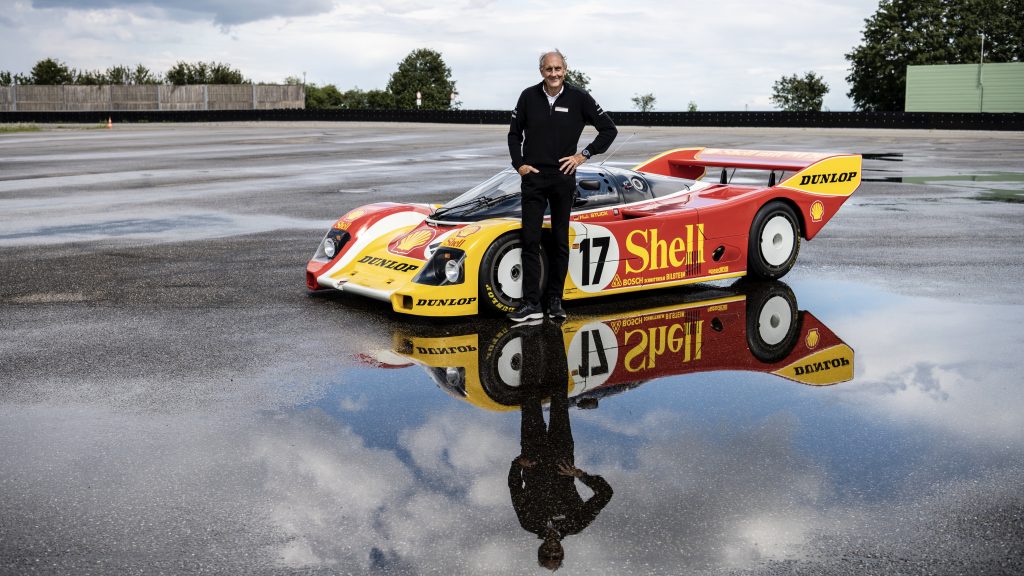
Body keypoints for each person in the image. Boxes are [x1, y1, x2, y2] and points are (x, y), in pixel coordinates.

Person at [507, 49, 617, 322]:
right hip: (532, 178)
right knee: (530, 240)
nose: (553, 74)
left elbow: (609, 129)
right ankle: (531, 303)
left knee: (559, 240)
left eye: (558, 69)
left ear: (565, 70)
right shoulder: (528, 96)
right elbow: (513, 134)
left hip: (562, 178)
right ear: (541, 71)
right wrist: (519, 164)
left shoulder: (579, 97)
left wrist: (583, 156)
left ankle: (555, 300)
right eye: (548, 69)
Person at [507, 320, 613, 570]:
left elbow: (514, 487)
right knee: (558, 394)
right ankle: (554, 331)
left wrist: (517, 464)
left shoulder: (529, 523)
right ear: (562, 552)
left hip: (532, 452)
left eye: (547, 556)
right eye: (557, 556)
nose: (553, 552)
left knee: (530, 394)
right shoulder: (575, 524)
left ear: (540, 551)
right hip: (561, 451)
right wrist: (580, 475)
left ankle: (530, 333)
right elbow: (605, 494)